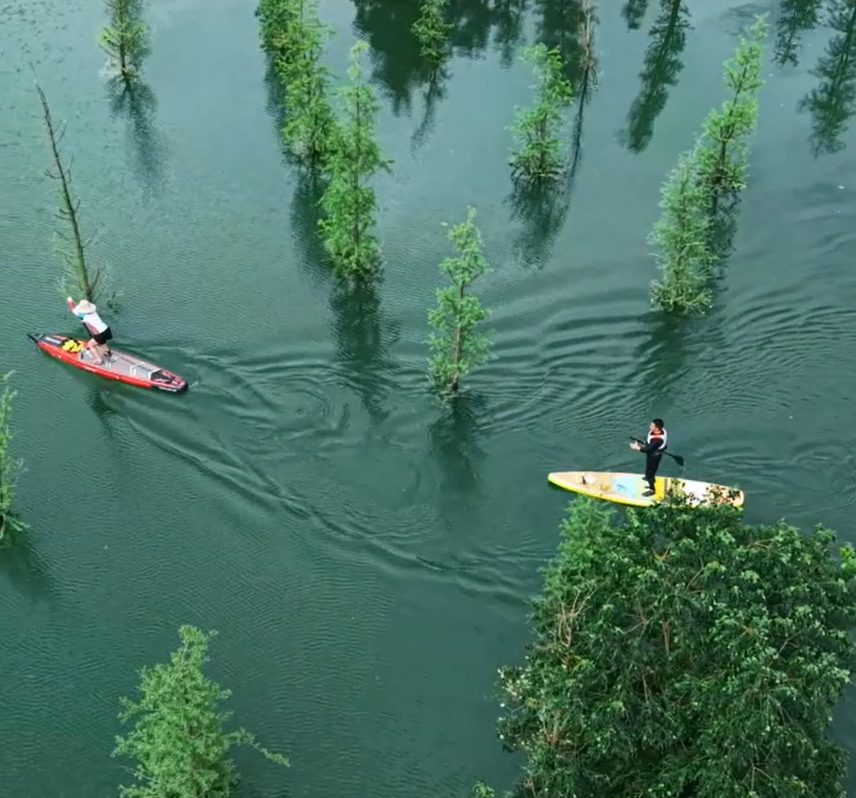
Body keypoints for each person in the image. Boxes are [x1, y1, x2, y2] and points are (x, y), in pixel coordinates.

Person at [66, 297, 113, 365]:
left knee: (90, 345)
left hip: (99, 333)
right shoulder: (94, 312)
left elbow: (72, 308)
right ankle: (108, 352)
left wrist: (70, 300)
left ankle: (98, 359)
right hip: (106, 329)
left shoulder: (83, 315)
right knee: (102, 343)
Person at [629, 418, 667, 497]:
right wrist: (646, 443)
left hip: (654, 456)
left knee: (649, 472)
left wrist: (637, 447)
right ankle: (649, 477)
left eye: (651, 425)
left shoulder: (657, 439)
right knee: (649, 470)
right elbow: (651, 444)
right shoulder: (661, 430)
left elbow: (648, 450)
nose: (649, 426)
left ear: (657, 428)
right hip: (652, 452)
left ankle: (652, 490)